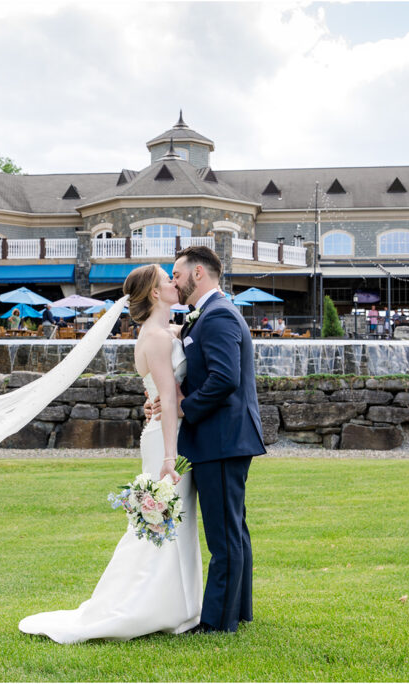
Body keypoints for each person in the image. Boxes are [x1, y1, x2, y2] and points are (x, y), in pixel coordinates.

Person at [19, 263, 201, 642]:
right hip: (168, 439)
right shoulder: (155, 338)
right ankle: (148, 605)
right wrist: (170, 458)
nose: (174, 282)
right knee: (161, 519)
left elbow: (162, 390)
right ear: (154, 292)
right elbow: (167, 398)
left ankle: (180, 604)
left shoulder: (167, 331)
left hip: (168, 430)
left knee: (172, 520)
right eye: (168, 279)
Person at [152, 245, 265, 634]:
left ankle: (218, 622)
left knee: (224, 533)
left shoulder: (217, 316)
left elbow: (224, 379)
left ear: (198, 274)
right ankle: (239, 610)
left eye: (178, 274)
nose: (175, 281)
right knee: (234, 528)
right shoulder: (208, 316)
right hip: (223, 438)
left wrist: (184, 407)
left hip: (222, 439)